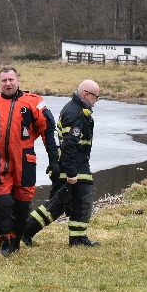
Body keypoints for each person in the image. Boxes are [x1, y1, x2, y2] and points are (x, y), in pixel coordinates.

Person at [0, 66, 58, 256]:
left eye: (11, 80)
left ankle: (16, 238)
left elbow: (48, 131)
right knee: (1, 202)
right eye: (4, 80)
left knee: (23, 203)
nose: (8, 83)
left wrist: (54, 160)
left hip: (24, 161)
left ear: (18, 80)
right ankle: (4, 241)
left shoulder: (34, 103)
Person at [22, 80, 101, 247]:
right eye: (96, 97)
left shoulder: (75, 109)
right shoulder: (76, 113)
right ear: (86, 94)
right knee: (81, 201)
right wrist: (72, 173)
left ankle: (28, 230)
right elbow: (70, 145)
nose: (96, 100)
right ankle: (76, 238)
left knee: (58, 205)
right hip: (73, 166)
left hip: (72, 164)